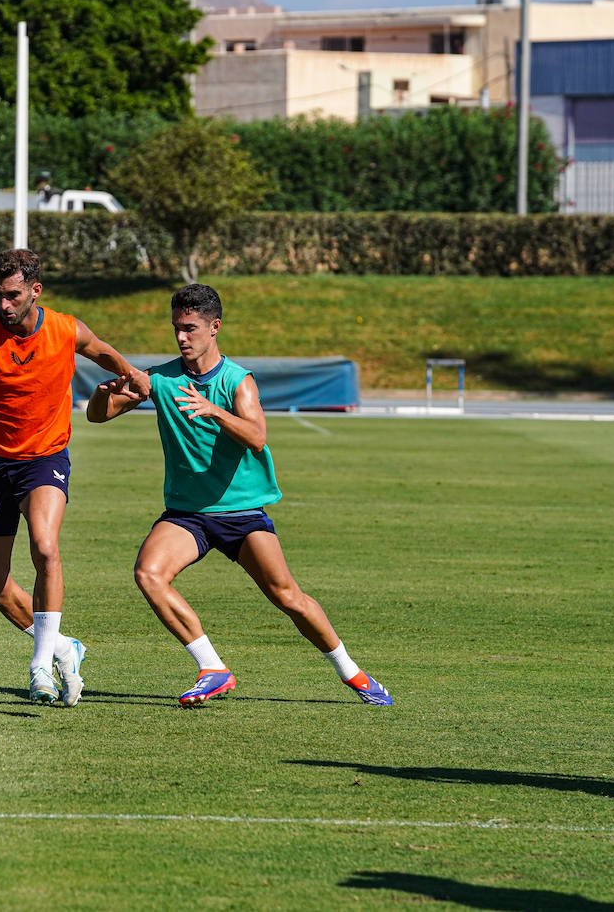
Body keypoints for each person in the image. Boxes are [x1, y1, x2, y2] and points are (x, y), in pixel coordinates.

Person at [86, 283, 391, 707]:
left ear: (214, 327)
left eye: (190, 328)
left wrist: (214, 410)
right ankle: (212, 668)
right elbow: (98, 417)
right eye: (176, 328)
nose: (181, 337)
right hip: (188, 513)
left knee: (288, 597)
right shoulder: (160, 378)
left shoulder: (237, 381)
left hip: (242, 513)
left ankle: (352, 673)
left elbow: (257, 436)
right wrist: (100, 397)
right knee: (149, 574)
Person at [0, 248, 151, 706]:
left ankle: (40, 667)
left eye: (13, 296)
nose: (4, 304)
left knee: (45, 546)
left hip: (43, 458)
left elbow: (103, 352)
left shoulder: (65, 329)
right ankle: (62, 647)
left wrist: (134, 375)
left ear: (35, 290)